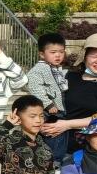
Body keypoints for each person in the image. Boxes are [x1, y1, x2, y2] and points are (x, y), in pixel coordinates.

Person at [41, 33, 97, 152]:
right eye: (94, 56)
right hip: (50, 142)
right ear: (84, 58)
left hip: (86, 152)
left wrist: (66, 125)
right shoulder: (68, 77)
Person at [27, 33, 70, 161]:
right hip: (49, 111)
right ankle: (53, 163)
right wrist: (48, 104)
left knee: (60, 137)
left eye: (61, 52)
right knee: (53, 137)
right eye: (53, 52)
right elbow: (35, 88)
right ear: (42, 54)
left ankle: (57, 161)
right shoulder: (39, 69)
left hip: (59, 110)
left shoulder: (55, 69)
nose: (58, 55)